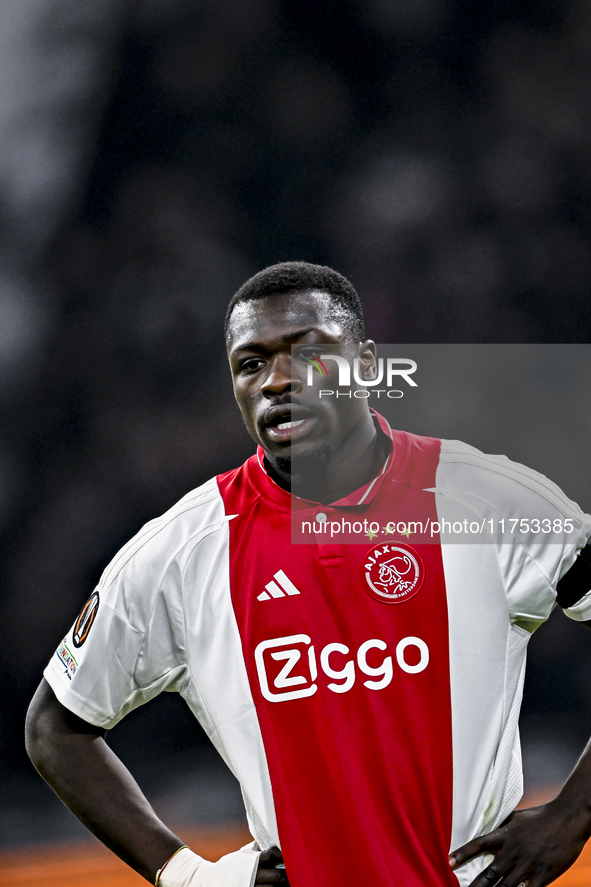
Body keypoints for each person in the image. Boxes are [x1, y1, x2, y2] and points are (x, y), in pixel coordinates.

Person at [26, 261, 591, 887]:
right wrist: (188, 875)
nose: (278, 381)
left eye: (309, 353)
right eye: (251, 364)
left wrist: (574, 812)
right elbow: (55, 726)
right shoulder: (184, 550)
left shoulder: (483, 499)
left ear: (368, 365)